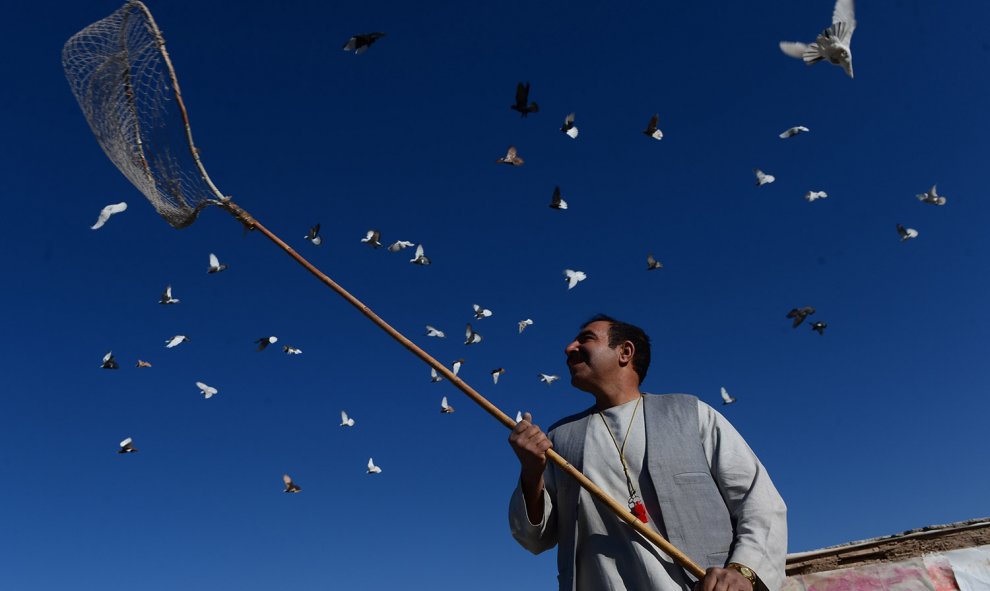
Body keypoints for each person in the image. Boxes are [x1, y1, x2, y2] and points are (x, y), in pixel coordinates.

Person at [508, 314, 787, 591]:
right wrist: (531, 473)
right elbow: (534, 538)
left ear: (625, 352)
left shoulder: (691, 414)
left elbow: (759, 501)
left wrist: (743, 571)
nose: (569, 348)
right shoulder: (559, 438)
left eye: (586, 339)